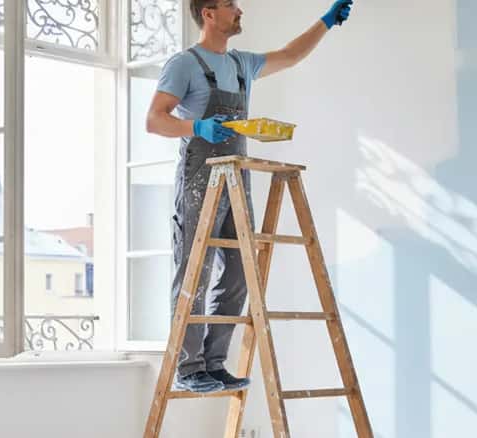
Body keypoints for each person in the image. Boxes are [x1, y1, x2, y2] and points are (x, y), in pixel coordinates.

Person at [146, 0, 355, 393]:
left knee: (240, 272)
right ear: (208, 14)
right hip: (199, 179)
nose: (239, 10)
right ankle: (188, 368)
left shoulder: (242, 64)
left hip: (236, 177)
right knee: (195, 271)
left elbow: (290, 55)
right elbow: (154, 118)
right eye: (230, 5)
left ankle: (213, 363)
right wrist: (197, 127)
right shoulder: (184, 64)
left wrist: (326, 21)